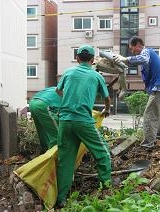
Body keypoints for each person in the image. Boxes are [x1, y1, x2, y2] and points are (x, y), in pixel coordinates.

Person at [55, 44, 112, 207]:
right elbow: (107, 98)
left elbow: (58, 91)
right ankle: (106, 192)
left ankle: (61, 200)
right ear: (93, 60)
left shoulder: (68, 73)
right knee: (103, 154)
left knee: (65, 161)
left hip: (65, 122)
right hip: (83, 122)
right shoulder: (96, 76)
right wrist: (106, 109)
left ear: (77, 58)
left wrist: (69, 96)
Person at [114, 35, 160, 148]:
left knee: (149, 115)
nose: (132, 51)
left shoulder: (146, 51)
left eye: (132, 48)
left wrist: (126, 59)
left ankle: (148, 144)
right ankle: (159, 137)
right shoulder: (152, 54)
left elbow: (143, 59)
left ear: (138, 45)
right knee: (159, 114)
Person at [28, 87, 62, 154]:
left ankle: (43, 152)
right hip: (43, 105)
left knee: (42, 132)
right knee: (58, 135)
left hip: (32, 103)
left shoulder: (57, 88)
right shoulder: (73, 98)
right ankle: (55, 157)